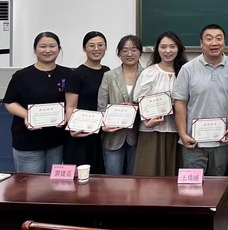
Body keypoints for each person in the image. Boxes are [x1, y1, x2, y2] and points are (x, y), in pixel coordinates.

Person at [172, 24, 228, 230]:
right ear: (201, 43)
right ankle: (194, 226)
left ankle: (219, 223)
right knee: (191, 186)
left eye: (219, 38)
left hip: (222, 140)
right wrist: (183, 134)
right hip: (193, 141)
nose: (214, 43)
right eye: (209, 38)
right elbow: (180, 103)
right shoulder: (188, 69)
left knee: (218, 184)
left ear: (224, 42)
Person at [4, 32, 72, 173]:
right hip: (28, 141)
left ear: (58, 49)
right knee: (30, 184)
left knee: (52, 183)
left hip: (56, 141)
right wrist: (27, 115)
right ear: (34, 50)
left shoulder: (67, 74)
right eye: (42, 46)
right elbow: (9, 102)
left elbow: (71, 103)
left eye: (52, 46)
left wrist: (66, 116)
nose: (48, 50)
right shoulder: (22, 76)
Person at [132, 31, 187, 176]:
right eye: (163, 47)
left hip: (177, 131)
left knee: (173, 175)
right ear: (157, 49)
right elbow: (139, 101)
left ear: (179, 48)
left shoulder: (186, 72)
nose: (168, 51)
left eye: (172, 47)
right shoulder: (149, 72)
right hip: (151, 132)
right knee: (150, 174)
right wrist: (147, 122)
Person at [97, 35, 143, 175]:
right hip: (113, 136)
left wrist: (136, 108)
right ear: (119, 53)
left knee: (135, 180)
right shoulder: (109, 76)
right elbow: (101, 105)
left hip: (138, 136)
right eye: (125, 50)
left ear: (140, 52)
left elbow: (150, 105)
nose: (129, 54)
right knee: (113, 179)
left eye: (134, 50)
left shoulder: (147, 74)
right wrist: (103, 126)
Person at [64, 31, 110, 172]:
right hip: (81, 133)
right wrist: (73, 128)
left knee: (99, 176)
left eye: (100, 45)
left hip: (101, 133)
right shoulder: (76, 74)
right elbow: (70, 106)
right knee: (80, 176)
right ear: (84, 48)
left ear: (106, 47)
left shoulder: (107, 72)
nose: (96, 49)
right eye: (91, 45)